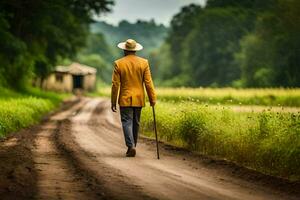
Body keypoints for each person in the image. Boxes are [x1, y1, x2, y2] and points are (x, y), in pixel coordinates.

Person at [111, 39, 156, 157]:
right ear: (135, 50)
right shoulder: (144, 63)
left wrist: (113, 101)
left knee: (127, 122)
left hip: (125, 98)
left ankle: (131, 146)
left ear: (124, 50)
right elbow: (148, 83)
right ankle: (133, 146)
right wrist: (152, 99)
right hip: (139, 98)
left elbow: (115, 84)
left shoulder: (119, 63)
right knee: (136, 123)